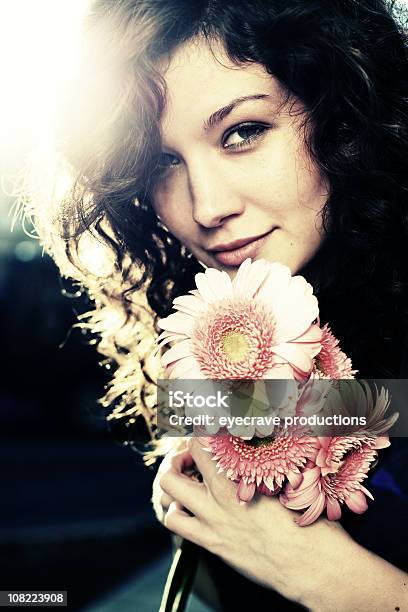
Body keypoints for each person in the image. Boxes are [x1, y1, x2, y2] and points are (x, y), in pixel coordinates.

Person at [24, 0, 408, 609]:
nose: (205, 209)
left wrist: (313, 567)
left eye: (242, 133)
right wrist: (190, 514)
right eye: (162, 163)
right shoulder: (205, 332)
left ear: (341, 110)